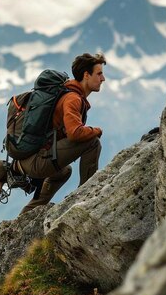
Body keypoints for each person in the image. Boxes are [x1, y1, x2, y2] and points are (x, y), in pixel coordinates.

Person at [15, 53, 105, 214]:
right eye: (99, 73)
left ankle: (26, 216)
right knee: (93, 142)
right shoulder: (73, 98)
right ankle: (87, 197)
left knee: (64, 172)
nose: (103, 78)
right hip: (39, 161)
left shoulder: (68, 93)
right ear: (86, 75)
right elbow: (75, 133)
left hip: (32, 158)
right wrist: (97, 131)